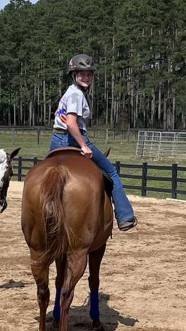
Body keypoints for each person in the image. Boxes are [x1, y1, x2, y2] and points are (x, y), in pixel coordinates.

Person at [50, 54, 137, 231]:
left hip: (56, 140)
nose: (86, 77)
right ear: (74, 75)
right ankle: (125, 216)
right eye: (82, 74)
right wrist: (83, 145)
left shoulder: (68, 92)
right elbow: (71, 123)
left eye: (89, 74)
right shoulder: (76, 95)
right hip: (73, 139)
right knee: (112, 173)